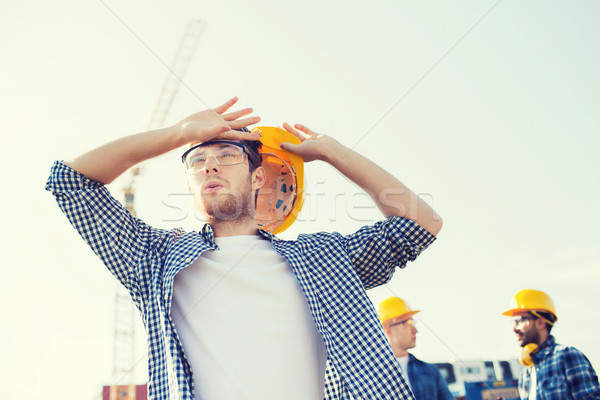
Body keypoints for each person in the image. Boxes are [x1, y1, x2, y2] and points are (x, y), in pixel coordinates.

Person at [46, 97, 443, 399]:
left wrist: (333, 153)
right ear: (189, 186)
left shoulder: (324, 258)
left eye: (227, 155)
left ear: (257, 179)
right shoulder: (154, 259)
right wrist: (180, 132)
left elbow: (422, 224)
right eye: (197, 160)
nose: (209, 166)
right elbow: (69, 181)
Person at [502, 289, 600, 399]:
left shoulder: (567, 356)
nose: (514, 329)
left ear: (540, 323)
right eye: (513, 321)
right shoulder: (525, 375)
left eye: (519, 320)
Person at [377, 296, 453, 400]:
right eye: (408, 324)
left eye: (413, 323)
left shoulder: (431, 372)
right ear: (388, 329)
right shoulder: (374, 373)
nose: (415, 330)